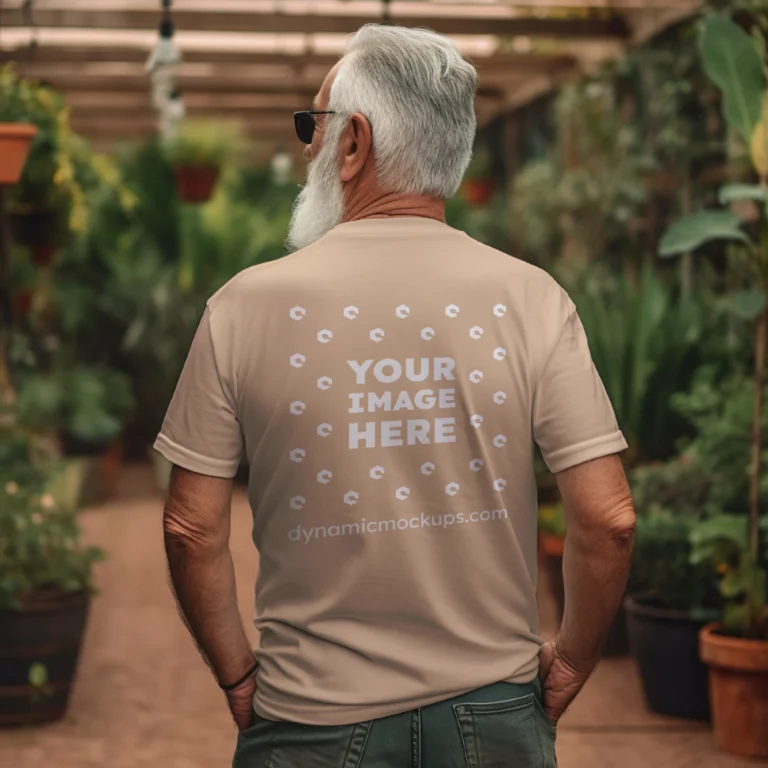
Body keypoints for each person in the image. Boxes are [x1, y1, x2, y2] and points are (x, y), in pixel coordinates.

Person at [155, 23, 636, 768]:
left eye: (315, 128)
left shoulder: (242, 307)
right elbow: (608, 519)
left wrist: (237, 671)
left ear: (353, 144)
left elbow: (190, 528)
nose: (306, 149)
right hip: (495, 717)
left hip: (309, 718)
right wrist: (570, 661)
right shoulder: (531, 298)